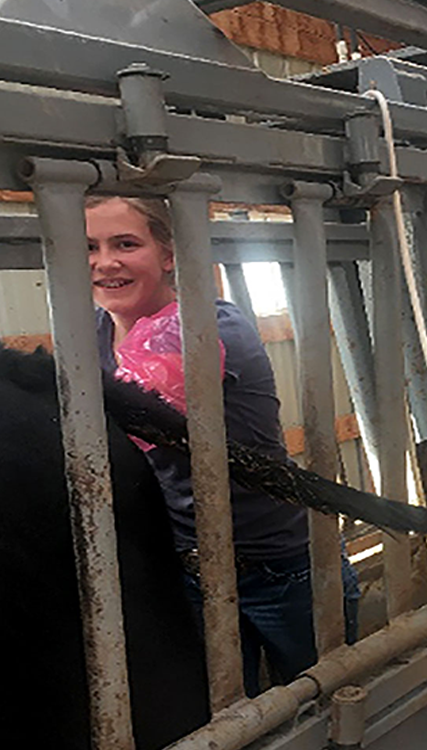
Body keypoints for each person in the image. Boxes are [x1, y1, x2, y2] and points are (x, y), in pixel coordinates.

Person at [85, 194, 361, 698]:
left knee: (327, 712)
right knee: (227, 721)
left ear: (168, 254)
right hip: (190, 571)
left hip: (284, 567)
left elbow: (123, 420)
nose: (105, 262)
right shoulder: (94, 334)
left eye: (125, 244)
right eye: (89, 247)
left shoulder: (206, 327)